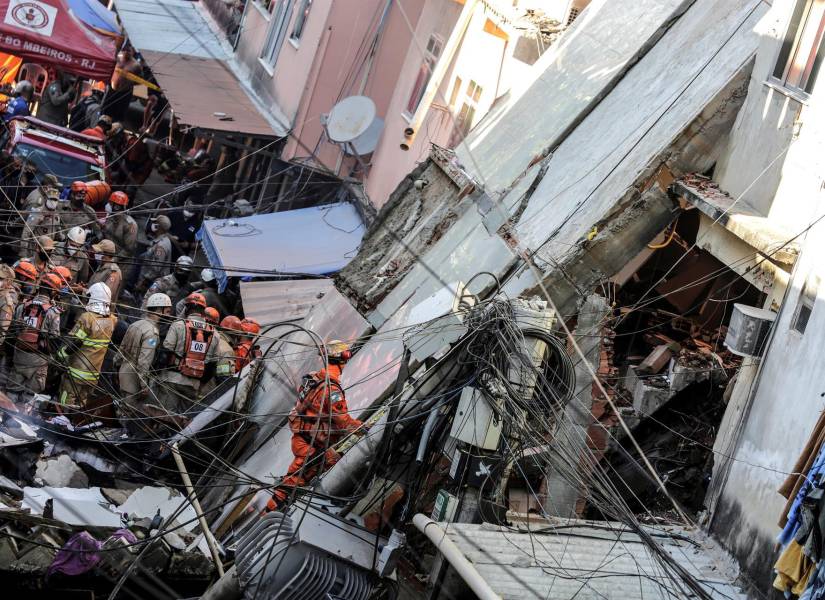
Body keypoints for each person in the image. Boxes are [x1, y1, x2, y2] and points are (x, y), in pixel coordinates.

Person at [266, 340, 363, 511]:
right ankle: (270, 515)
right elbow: (344, 422)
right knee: (290, 485)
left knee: (321, 467)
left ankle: (280, 508)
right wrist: (365, 428)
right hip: (310, 447)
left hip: (303, 440)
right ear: (344, 358)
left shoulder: (314, 378)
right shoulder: (332, 390)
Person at [152, 292, 218, 417]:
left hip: (172, 379)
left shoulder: (178, 325)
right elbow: (212, 366)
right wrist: (200, 385)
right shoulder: (214, 334)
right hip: (193, 385)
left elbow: (165, 354)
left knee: (165, 418)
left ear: (186, 308)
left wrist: (155, 373)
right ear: (203, 311)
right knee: (184, 422)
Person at [55, 282, 116, 412]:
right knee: (81, 404)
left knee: (66, 400)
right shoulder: (112, 320)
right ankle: (74, 421)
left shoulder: (87, 318)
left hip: (77, 371)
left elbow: (76, 342)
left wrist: (61, 355)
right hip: (93, 375)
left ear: (93, 298)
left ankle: (62, 418)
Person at [116, 292, 171, 433]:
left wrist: (117, 369)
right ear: (159, 310)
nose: (169, 315)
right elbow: (144, 362)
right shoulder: (152, 333)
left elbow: (120, 352)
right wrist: (144, 386)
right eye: (167, 311)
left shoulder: (135, 324)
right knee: (129, 416)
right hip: (134, 381)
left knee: (122, 411)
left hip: (123, 373)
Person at [6, 273, 62, 404]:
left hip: (19, 356)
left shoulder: (22, 306)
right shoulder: (53, 312)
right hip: (38, 361)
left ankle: (6, 413)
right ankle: (23, 415)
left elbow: (14, 330)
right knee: (30, 396)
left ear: (40, 286)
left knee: (12, 391)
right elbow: (54, 338)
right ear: (54, 292)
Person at [136, 215, 173, 293]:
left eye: (156, 223)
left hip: (151, 284)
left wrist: (143, 283)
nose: (153, 224)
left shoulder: (161, 246)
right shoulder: (160, 240)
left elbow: (155, 269)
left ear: (159, 227)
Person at [20, 188, 61, 258]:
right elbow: (26, 233)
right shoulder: (37, 212)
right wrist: (23, 253)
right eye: (51, 199)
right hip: (34, 251)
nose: (53, 202)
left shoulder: (56, 215)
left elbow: (58, 233)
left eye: (55, 200)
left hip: (48, 251)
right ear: (46, 199)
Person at [103, 48, 141, 122]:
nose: (126, 52)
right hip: (111, 89)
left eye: (128, 50)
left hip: (124, 93)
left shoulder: (136, 66)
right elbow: (109, 70)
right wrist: (106, 83)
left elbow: (139, 82)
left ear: (133, 52)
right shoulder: (117, 58)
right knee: (105, 111)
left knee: (118, 116)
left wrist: (136, 96)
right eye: (125, 50)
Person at [102, 191, 137, 260]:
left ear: (117, 207)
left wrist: (113, 260)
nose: (108, 205)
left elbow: (129, 250)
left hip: (120, 261)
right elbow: (106, 233)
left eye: (110, 204)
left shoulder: (130, 225)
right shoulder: (111, 217)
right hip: (107, 254)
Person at [87, 239, 122, 304]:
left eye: (98, 253)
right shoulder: (102, 265)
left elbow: (104, 296)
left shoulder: (114, 272)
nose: (96, 254)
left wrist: (83, 290)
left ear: (106, 254)